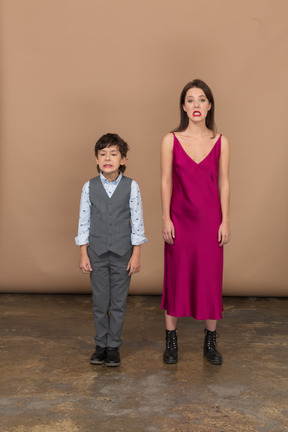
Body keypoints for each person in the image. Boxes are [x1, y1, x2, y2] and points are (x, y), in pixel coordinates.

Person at [161, 79, 231, 365]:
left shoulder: (221, 141)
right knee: (176, 276)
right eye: (190, 100)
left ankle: (210, 342)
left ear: (210, 105)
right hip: (180, 219)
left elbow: (224, 183)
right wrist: (165, 217)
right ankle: (171, 342)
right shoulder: (170, 140)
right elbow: (166, 181)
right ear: (183, 106)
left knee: (210, 278)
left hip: (210, 221)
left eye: (201, 99)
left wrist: (226, 220)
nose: (196, 105)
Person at [75, 133, 147, 367]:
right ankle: (100, 345)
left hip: (122, 254)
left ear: (123, 159)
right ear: (96, 160)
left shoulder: (131, 186)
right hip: (96, 253)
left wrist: (136, 253)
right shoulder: (89, 187)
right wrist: (83, 252)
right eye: (103, 154)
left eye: (113, 154)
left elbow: (137, 222)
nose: (108, 158)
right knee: (100, 301)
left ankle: (113, 345)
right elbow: (84, 221)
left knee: (118, 302)